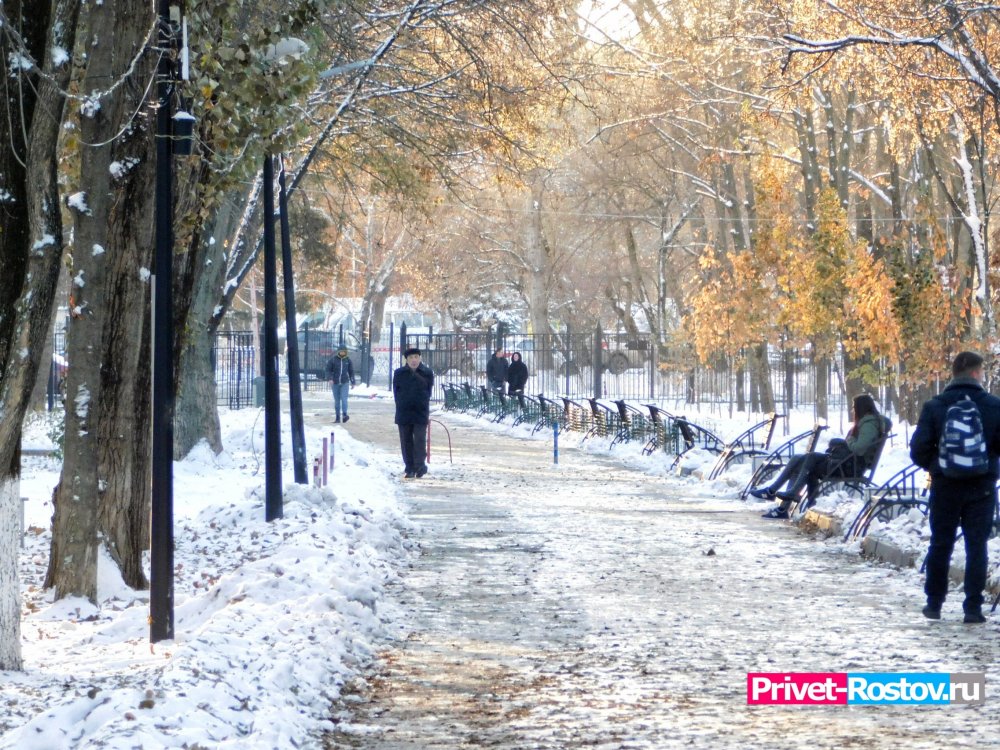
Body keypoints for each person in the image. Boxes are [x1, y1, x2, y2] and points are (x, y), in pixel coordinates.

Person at [910, 351, 1000, 624]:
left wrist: (939, 467)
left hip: (945, 486)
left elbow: (918, 450)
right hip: (981, 487)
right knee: (976, 546)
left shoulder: (935, 405)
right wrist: (985, 462)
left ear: (953, 373)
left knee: (941, 544)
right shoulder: (993, 405)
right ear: (976, 373)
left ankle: (934, 603)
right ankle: (973, 608)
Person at [751, 394, 890, 519]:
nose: (852, 410)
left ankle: (781, 498)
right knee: (798, 460)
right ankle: (780, 498)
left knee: (809, 458)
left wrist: (848, 440)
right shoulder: (867, 423)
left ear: (862, 408)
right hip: (844, 463)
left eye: (854, 407)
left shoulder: (869, 425)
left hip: (849, 466)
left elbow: (859, 449)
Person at [393, 346, 435, 479]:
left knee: (420, 440)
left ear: (420, 358)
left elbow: (428, 391)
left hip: (420, 411)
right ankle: (409, 468)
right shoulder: (399, 373)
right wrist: (401, 403)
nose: (414, 360)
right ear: (406, 360)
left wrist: (422, 402)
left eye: (416, 357)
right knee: (406, 441)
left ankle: (420, 466)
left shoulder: (427, 372)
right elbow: (396, 392)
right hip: (404, 411)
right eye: (411, 357)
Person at [324, 346, 356, 423]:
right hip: (335, 383)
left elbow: (351, 371)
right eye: (341, 351)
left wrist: (353, 382)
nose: (342, 353)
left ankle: (345, 415)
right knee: (337, 400)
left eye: (344, 352)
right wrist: (330, 378)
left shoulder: (348, 360)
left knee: (344, 399)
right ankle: (337, 417)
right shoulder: (333, 360)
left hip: (345, 382)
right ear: (338, 352)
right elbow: (328, 370)